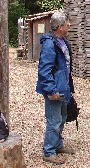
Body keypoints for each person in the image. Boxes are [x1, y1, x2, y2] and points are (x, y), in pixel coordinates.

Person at [36, 11, 75, 165]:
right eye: (67, 23)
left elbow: (65, 67)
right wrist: (52, 90)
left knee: (63, 117)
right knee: (54, 120)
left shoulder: (63, 41)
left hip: (63, 88)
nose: (69, 25)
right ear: (60, 26)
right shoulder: (49, 44)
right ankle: (49, 151)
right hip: (54, 90)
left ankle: (57, 145)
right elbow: (44, 70)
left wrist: (67, 87)